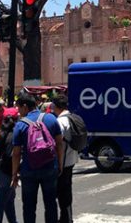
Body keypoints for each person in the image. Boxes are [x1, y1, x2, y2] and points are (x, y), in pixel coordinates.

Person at [11, 92, 65, 223]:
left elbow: (16, 153)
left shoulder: (20, 125)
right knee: (51, 203)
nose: (18, 111)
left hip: (29, 170)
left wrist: (14, 174)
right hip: (50, 167)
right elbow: (59, 144)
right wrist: (60, 164)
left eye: (18, 108)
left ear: (24, 106)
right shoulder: (51, 119)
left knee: (29, 206)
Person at [52, 94, 77, 223]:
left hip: (64, 161)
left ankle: (65, 219)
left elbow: (59, 144)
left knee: (62, 193)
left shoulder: (60, 121)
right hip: (72, 159)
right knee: (67, 190)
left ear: (56, 106)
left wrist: (59, 164)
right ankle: (67, 217)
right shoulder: (72, 117)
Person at [0, 115, 19, 223]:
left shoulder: (1, 134)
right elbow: (10, 156)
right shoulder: (13, 136)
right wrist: (15, 173)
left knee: (9, 199)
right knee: (1, 201)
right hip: (7, 171)